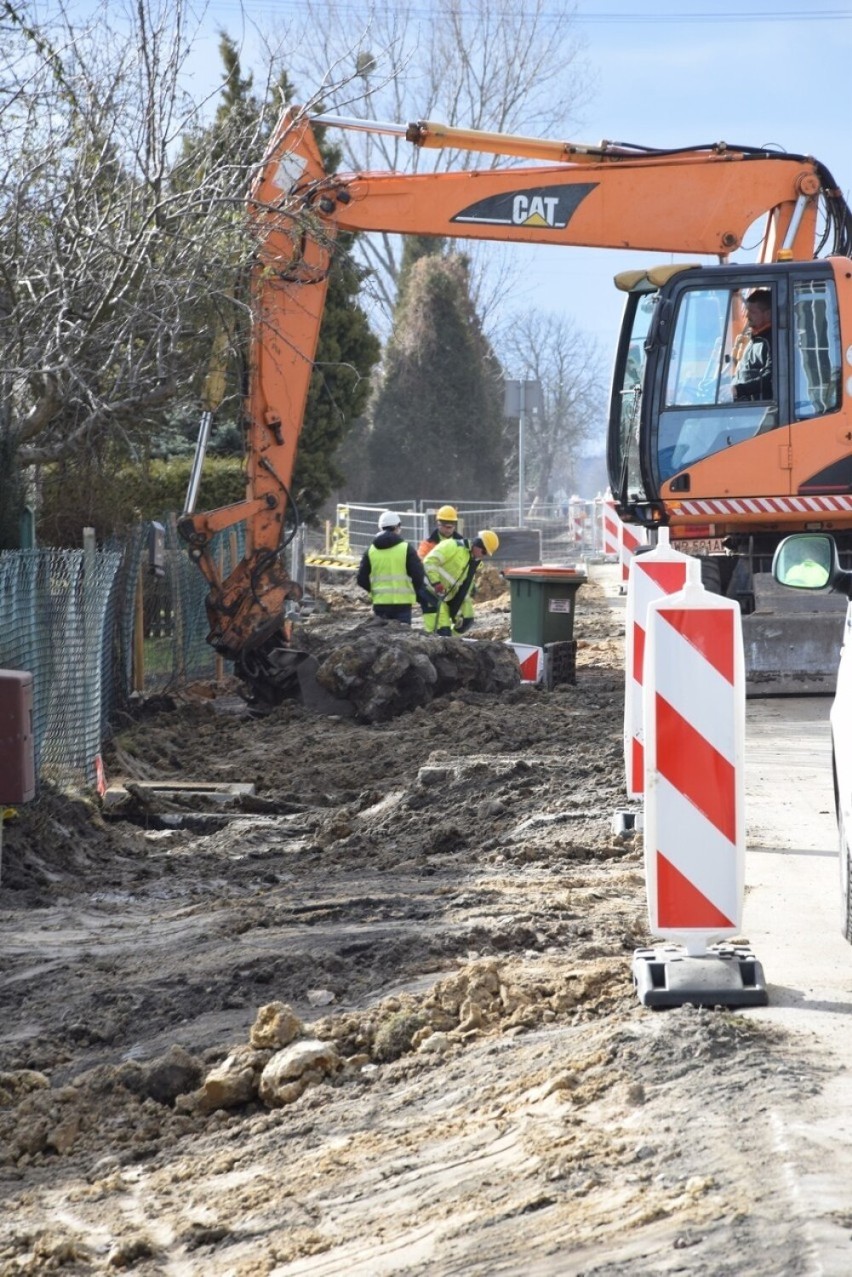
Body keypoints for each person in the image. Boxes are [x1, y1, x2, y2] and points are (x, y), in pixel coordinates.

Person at [422, 530, 499, 636]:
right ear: (478, 544)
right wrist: (436, 583)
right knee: (441, 630)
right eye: (484, 552)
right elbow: (429, 562)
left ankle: (452, 643)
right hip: (430, 592)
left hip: (447, 596)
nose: (483, 556)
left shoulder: (472, 561)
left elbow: (463, 580)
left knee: (465, 621)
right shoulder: (452, 546)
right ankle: (439, 645)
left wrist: (470, 590)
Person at [357, 510, 427, 626]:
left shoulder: (370, 551)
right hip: (402, 605)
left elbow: (361, 579)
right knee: (402, 638)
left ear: (380, 527)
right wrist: (413, 591)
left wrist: (374, 590)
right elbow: (418, 575)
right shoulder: (406, 549)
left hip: (380, 604)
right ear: (397, 527)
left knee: (381, 641)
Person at [417, 505, 477, 631]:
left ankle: (451, 641)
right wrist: (435, 583)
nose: (449, 529)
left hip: (452, 590)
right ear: (438, 524)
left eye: (451, 526)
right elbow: (421, 566)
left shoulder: (462, 543)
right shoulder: (428, 545)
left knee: (466, 620)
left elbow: (467, 568)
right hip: (432, 590)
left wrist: (471, 586)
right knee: (437, 625)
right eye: (446, 526)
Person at [732, 289, 773, 402]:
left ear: (768, 314)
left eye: (753, 312)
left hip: (760, 413)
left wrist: (737, 390)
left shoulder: (772, 342)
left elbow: (771, 378)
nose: (747, 316)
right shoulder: (754, 340)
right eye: (747, 311)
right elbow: (743, 374)